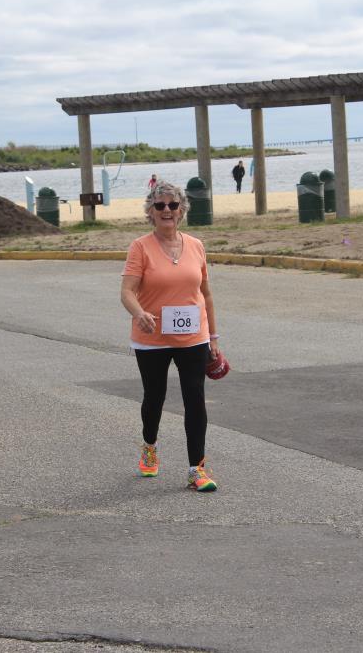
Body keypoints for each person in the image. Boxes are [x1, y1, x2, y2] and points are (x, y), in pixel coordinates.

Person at [120, 179, 221, 492]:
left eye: (173, 205)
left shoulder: (196, 245)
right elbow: (127, 291)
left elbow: (206, 294)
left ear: (182, 210)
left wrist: (213, 336)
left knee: (195, 398)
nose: (167, 210)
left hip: (193, 335)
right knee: (155, 398)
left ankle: (196, 469)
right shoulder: (140, 247)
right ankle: (149, 445)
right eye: (160, 205)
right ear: (150, 211)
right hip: (152, 337)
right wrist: (139, 313)